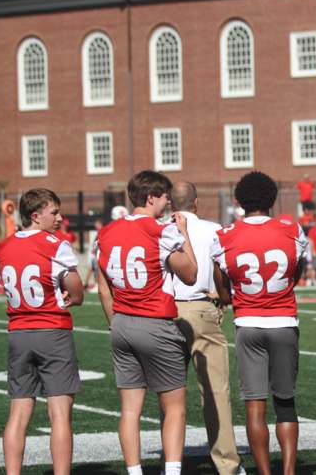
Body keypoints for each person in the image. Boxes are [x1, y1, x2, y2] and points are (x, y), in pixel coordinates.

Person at [96, 170, 198, 475]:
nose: (168, 202)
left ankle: (134, 472)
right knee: (175, 407)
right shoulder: (160, 231)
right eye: (165, 196)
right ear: (151, 196)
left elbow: (103, 288)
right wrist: (184, 235)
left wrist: (115, 322)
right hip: (155, 321)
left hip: (122, 322)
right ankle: (172, 471)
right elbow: (190, 273)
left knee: (129, 409)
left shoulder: (107, 231)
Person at [210, 171, 307, 475]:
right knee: (286, 402)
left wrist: (232, 297)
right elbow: (296, 274)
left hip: (248, 322)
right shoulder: (292, 229)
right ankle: (288, 471)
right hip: (283, 321)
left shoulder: (224, 235)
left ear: (239, 202)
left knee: (255, 404)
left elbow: (223, 287)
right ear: (272, 199)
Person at [0, 188, 85, 475]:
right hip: (52, 330)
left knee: (18, 414)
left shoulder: (3, 247)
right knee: (59, 414)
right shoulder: (55, 244)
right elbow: (77, 291)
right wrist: (71, 295)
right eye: (53, 212)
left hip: (18, 333)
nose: (59, 217)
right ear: (36, 215)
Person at [168, 182, 245, 475]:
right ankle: (227, 465)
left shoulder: (161, 229)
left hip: (166, 312)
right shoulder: (215, 229)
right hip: (202, 307)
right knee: (215, 391)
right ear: (196, 203)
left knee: (169, 393)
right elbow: (223, 271)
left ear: (170, 204)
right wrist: (223, 297)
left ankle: (171, 463)